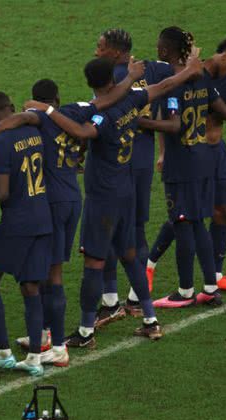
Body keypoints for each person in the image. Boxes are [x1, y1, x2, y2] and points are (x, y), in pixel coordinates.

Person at [26, 52, 204, 344]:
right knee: (130, 254)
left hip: (103, 197)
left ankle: (85, 331)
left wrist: (47, 111)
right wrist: (188, 71)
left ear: (90, 83)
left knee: (94, 263)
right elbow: (163, 86)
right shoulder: (133, 99)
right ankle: (150, 319)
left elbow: (83, 130)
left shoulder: (103, 114)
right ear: (113, 78)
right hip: (126, 189)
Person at [0, 59, 145, 357]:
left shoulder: (41, 118)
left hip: (51, 202)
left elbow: (20, 120)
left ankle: (52, 342)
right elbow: (106, 100)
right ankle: (46, 337)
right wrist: (130, 78)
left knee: (49, 274)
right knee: (49, 271)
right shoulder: (74, 111)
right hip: (74, 199)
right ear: (57, 98)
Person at [136, 27, 226, 308]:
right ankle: (210, 286)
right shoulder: (203, 80)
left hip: (181, 161)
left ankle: (185, 291)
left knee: (182, 222)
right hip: (205, 157)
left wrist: (142, 123)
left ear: (163, 51)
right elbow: (223, 111)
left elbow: (173, 125)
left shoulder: (172, 82)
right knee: (197, 221)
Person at [92, 28, 176, 324]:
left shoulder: (109, 78)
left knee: (109, 228)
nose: (96, 51)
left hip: (119, 162)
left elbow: (101, 112)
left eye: (100, 46)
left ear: (115, 52)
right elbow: (174, 74)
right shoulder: (151, 68)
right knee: (136, 228)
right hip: (142, 159)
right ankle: (136, 299)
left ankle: (111, 299)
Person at [0, 91, 52, 376]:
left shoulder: (0, 142)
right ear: (12, 108)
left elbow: (2, 193)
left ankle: (4, 352)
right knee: (30, 286)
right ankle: (33, 358)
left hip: (17, 224)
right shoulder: (34, 129)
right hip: (42, 217)